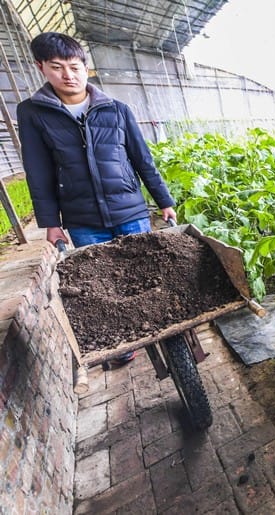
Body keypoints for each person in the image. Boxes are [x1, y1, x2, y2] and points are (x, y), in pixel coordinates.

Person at [18, 32, 178, 366]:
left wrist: (164, 201)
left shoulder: (116, 109)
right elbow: (38, 172)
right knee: (107, 288)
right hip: (83, 219)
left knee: (148, 275)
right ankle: (128, 343)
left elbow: (142, 160)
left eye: (74, 66)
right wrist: (50, 224)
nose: (68, 75)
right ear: (41, 68)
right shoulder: (33, 113)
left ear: (85, 67)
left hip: (130, 210)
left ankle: (171, 332)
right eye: (57, 67)